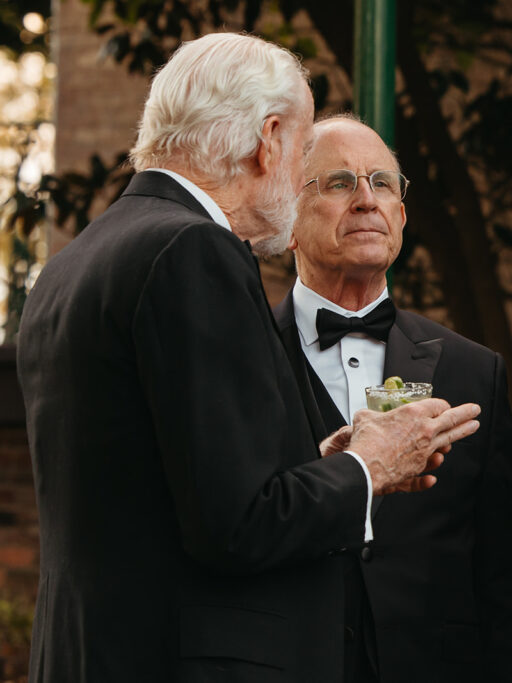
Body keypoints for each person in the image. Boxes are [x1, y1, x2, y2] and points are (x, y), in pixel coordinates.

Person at [17, 33, 480, 683]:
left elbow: (171, 483)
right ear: (267, 139)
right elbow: (239, 525)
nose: (298, 177)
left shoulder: (74, 262)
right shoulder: (193, 249)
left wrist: (317, 463)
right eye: (304, 150)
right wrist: (366, 466)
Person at [273, 115, 512, 683]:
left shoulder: (473, 370)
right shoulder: (244, 356)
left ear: (401, 214)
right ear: (287, 221)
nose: (367, 200)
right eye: (340, 182)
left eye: (384, 184)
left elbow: (504, 582)